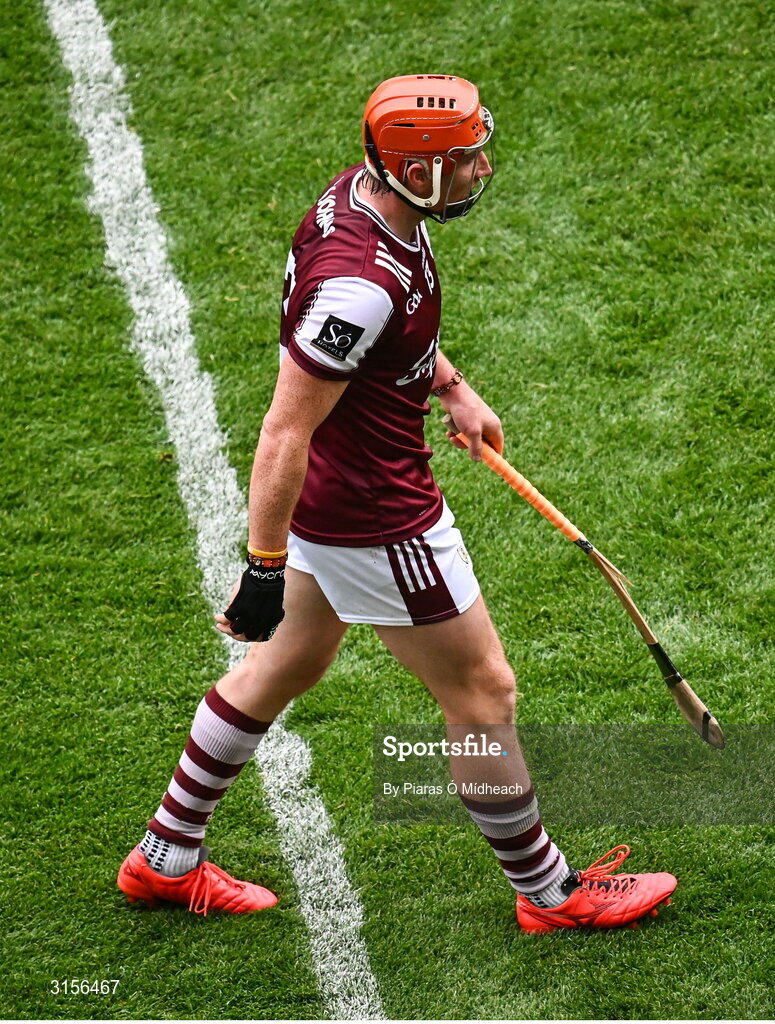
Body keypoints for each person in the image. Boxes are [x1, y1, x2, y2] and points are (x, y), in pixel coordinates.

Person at [117, 74, 677, 930]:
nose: (480, 167)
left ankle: (165, 854)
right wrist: (263, 567)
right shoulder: (357, 286)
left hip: (339, 502)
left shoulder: (365, 197)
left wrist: (449, 384)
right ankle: (551, 893)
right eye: (462, 160)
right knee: (484, 693)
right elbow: (282, 433)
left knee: (288, 663)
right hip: (377, 516)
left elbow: (396, 331)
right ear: (415, 170)